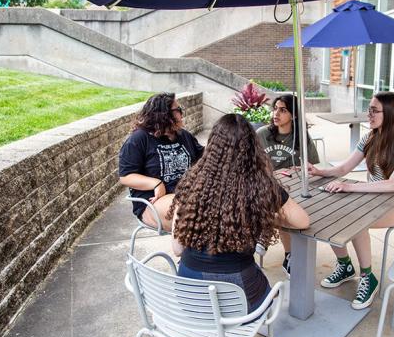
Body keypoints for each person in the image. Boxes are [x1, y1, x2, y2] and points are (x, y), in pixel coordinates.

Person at [170, 113, 309, 313]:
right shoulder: (261, 186)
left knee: (252, 280)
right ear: (253, 148)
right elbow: (302, 221)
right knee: (263, 284)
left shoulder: (192, 182)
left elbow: (177, 249)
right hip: (238, 294)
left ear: (212, 145)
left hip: (191, 297)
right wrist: (263, 212)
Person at [308, 91, 394, 310]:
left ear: (391, 114)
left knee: (356, 220)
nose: (369, 114)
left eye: (374, 110)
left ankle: (368, 277)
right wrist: (319, 172)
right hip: (371, 199)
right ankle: (346, 266)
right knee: (332, 212)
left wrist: (350, 186)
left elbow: (393, 185)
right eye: (369, 109)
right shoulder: (370, 138)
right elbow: (344, 168)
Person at [118, 92, 204, 232]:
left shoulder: (184, 135)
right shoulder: (139, 139)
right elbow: (126, 176)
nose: (182, 114)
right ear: (163, 114)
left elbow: (204, 159)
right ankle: (188, 252)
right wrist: (156, 183)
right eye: (178, 110)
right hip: (154, 202)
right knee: (189, 210)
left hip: (188, 194)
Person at [256, 94, 319, 276]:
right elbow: (251, 163)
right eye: (275, 108)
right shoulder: (262, 135)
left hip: (294, 187)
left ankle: (266, 230)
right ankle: (289, 253)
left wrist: (298, 168)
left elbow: (312, 165)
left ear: (293, 115)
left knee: (290, 208)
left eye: (283, 110)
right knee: (282, 206)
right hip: (267, 186)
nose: (276, 113)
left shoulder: (300, 137)